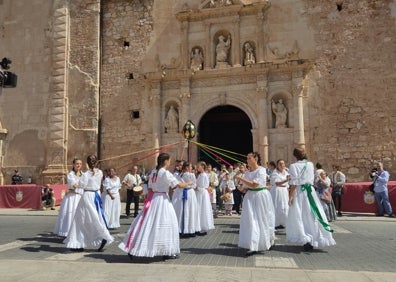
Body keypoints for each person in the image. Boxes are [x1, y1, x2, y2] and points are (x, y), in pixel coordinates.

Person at [119, 153, 193, 260]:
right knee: (167, 224)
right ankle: (166, 251)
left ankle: (135, 247)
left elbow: (149, 188)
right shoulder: (165, 173)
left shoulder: (153, 172)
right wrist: (189, 182)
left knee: (147, 223)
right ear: (165, 161)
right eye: (169, 160)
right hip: (162, 200)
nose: (170, 162)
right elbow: (178, 185)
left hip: (153, 199)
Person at [286, 148, 336, 251]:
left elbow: (294, 183)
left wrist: (290, 196)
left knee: (301, 215)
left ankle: (306, 238)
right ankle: (315, 237)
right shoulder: (310, 164)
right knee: (312, 215)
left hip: (300, 192)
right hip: (310, 192)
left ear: (295, 156)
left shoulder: (293, 166)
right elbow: (311, 179)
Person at [63, 154, 114, 252]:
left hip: (87, 196)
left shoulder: (86, 174)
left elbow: (81, 185)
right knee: (96, 216)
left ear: (87, 163)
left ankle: (82, 242)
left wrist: (78, 182)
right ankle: (89, 240)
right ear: (96, 162)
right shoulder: (99, 172)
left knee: (80, 219)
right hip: (96, 196)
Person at [234, 152, 275, 257]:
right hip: (250, 197)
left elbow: (255, 184)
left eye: (249, 158)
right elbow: (244, 188)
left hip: (260, 196)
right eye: (247, 158)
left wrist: (240, 178)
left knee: (262, 219)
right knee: (251, 220)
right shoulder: (247, 173)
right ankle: (253, 244)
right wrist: (239, 187)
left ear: (255, 159)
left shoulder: (261, 170)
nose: (247, 160)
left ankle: (266, 240)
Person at [53, 158, 83, 236]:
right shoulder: (70, 174)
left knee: (80, 215)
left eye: (80, 164)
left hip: (80, 197)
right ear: (73, 165)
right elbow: (75, 185)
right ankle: (69, 232)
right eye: (77, 163)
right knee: (70, 214)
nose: (78, 165)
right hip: (71, 198)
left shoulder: (83, 174)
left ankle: (78, 232)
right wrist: (83, 185)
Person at [172, 162, 199, 237]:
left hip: (185, 193)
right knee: (186, 210)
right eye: (190, 166)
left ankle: (186, 229)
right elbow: (194, 185)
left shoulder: (184, 175)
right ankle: (186, 229)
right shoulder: (185, 175)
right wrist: (189, 184)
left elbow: (193, 184)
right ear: (187, 167)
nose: (191, 168)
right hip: (186, 193)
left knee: (186, 210)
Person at [195, 161, 215, 235]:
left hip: (202, 194)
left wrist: (197, 188)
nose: (197, 167)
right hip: (199, 194)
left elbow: (205, 186)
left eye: (198, 166)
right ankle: (199, 226)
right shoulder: (200, 175)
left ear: (202, 166)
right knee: (199, 210)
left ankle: (203, 227)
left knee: (203, 210)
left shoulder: (204, 175)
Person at [272, 159, 290, 229]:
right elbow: (276, 183)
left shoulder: (286, 172)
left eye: (283, 163)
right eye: (280, 163)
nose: (282, 165)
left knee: (284, 206)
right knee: (277, 206)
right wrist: (286, 180)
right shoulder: (275, 173)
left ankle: (283, 222)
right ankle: (276, 222)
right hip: (277, 191)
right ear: (277, 165)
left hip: (284, 191)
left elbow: (288, 184)